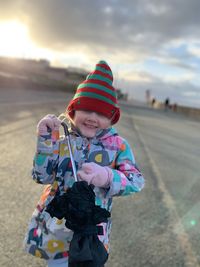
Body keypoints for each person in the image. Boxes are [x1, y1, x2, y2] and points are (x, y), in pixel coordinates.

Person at [23, 60, 145, 267]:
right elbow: (40, 176)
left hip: (91, 231)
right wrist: (45, 141)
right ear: (73, 111)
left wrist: (108, 176)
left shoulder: (118, 146)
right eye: (87, 110)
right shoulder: (62, 142)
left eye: (101, 113)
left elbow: (136, 181)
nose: (92, 118)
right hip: (57, 227)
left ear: (112, 118)